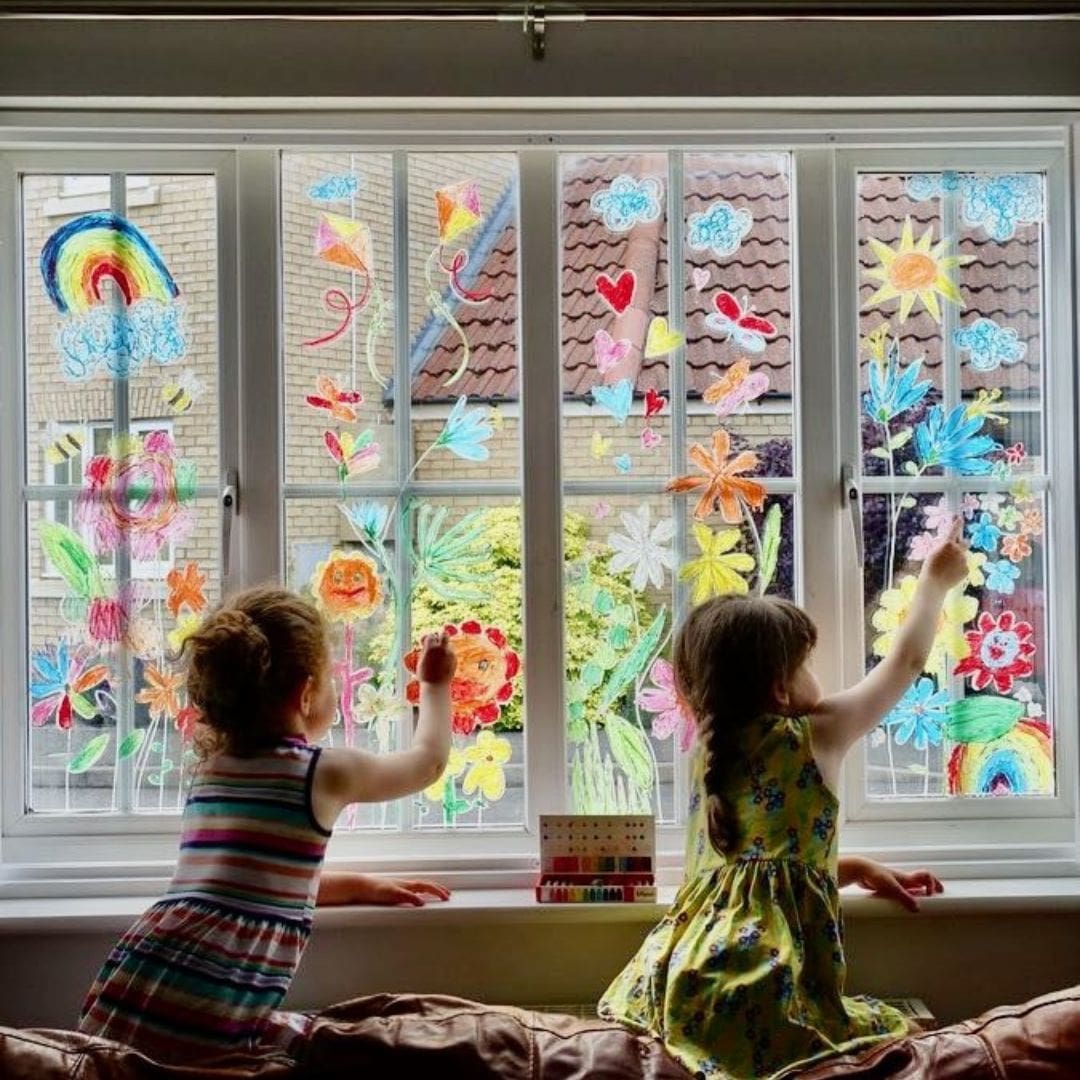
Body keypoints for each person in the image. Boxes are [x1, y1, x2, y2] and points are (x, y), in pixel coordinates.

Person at [599, 522, 969, 1079]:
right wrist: (936, 581)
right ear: (780, 686)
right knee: (914, 1042)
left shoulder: (709, 755)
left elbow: (752, 877)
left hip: (677, 981)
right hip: (760, 984)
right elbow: (907, 664)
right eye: (806, 665)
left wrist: (854, 868)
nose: (814, 677)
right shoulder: (816, 733)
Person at [78, 586, 455, 1062]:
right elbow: (427, 764)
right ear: (305, 693)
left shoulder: (212, 771)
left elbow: (253, 884)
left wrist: (361, 886)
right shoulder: (322, 772)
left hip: (133, 981)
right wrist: (435, 685)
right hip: (202, 1005)